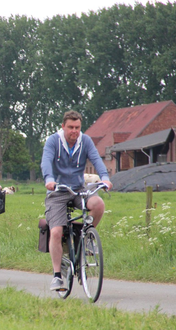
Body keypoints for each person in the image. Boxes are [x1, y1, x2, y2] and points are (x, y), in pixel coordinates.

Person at [40, 110, 113, 291]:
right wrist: (49, 179)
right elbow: (46, 161)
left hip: (79, 189)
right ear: (63, 126)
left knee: (98, 204)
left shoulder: (85, 141)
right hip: (58, 190)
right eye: (71, 127)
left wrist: (105, 178)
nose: (74, 131)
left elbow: (96, 160)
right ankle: (57, 276)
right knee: (56, 231)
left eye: (77, 127)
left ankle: (86, 238)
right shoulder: (53, 141)